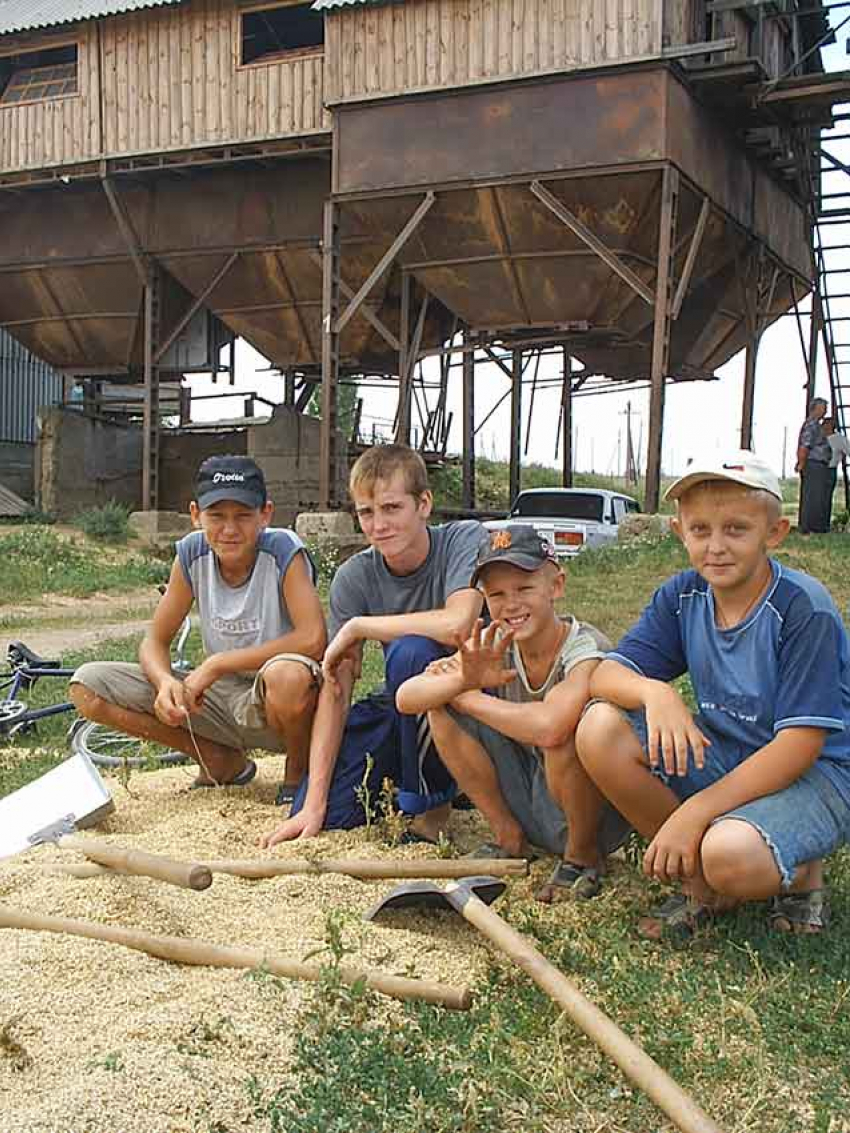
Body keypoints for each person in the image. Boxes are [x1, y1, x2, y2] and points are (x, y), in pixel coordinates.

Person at [575, 450, 850, 938]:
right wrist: (655, 692)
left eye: (736, 529)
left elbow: (800, 746)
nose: (716, 547)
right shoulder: (684, 596)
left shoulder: (804, 610)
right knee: (599, 728)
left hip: (815, 775)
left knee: (728, 853)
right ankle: (702, 888)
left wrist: (694, 812)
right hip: (727, 752)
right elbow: (604, 676)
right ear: (681, 532)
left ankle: (802, 872)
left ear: (775, 533)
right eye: (700, 530)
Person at [261, 444, 483, 847]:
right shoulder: (355, 576)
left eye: (392, 508)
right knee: (332, 813)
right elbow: (336, 687)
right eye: (366, 512)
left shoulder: (463, 540)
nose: (378, 525)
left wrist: (362, 626)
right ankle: (438, 778)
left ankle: (433, 809)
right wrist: (314, 802)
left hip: (480, 704)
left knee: (412, 651)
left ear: (424, 504)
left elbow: (458, 625)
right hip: (404, 707)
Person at [396, 525, 629, 901]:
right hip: (530, 791)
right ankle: (508, 835)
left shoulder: (584, 645)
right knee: (439, 708)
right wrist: (464, 679)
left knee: (563, 733)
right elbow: (409, 697)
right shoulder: (493, 641)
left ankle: (582, 855)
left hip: (589, 810)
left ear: (556, 586)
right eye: (497, 594)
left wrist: (467, 694)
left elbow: (551, 728)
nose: (511, 605)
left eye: (524, 589)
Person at [71, 455, 326, 789]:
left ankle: (297, 770)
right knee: (88, 685)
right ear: (195, 515)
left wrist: (218, 664)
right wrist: (164, 683)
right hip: (215, 698)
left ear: (266, 514)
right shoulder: (192, 553)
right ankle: (217, 759)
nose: (230, 529)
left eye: (244, 516)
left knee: (287, 676)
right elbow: (154, 642)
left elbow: (313, 638)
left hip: (278, 700)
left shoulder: (282, 550)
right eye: (216, 516)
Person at [796, 396, 832, 534]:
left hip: (819, 464)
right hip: (813, 464)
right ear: (816, 408)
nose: (825, 411)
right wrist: (801, 462)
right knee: (812, 495)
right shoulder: (811, 424)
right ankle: (809, 527)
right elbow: (805, 445)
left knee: (817, 496)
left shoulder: (817, 424)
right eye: (824, 408)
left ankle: (815, 526)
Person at [822, 417, 849, 523]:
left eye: (827, 424)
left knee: (826, 498)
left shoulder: (839, 439)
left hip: (829, 470)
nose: (824, 426)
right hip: (816, 470)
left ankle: (824, 523)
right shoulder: (818, 437)